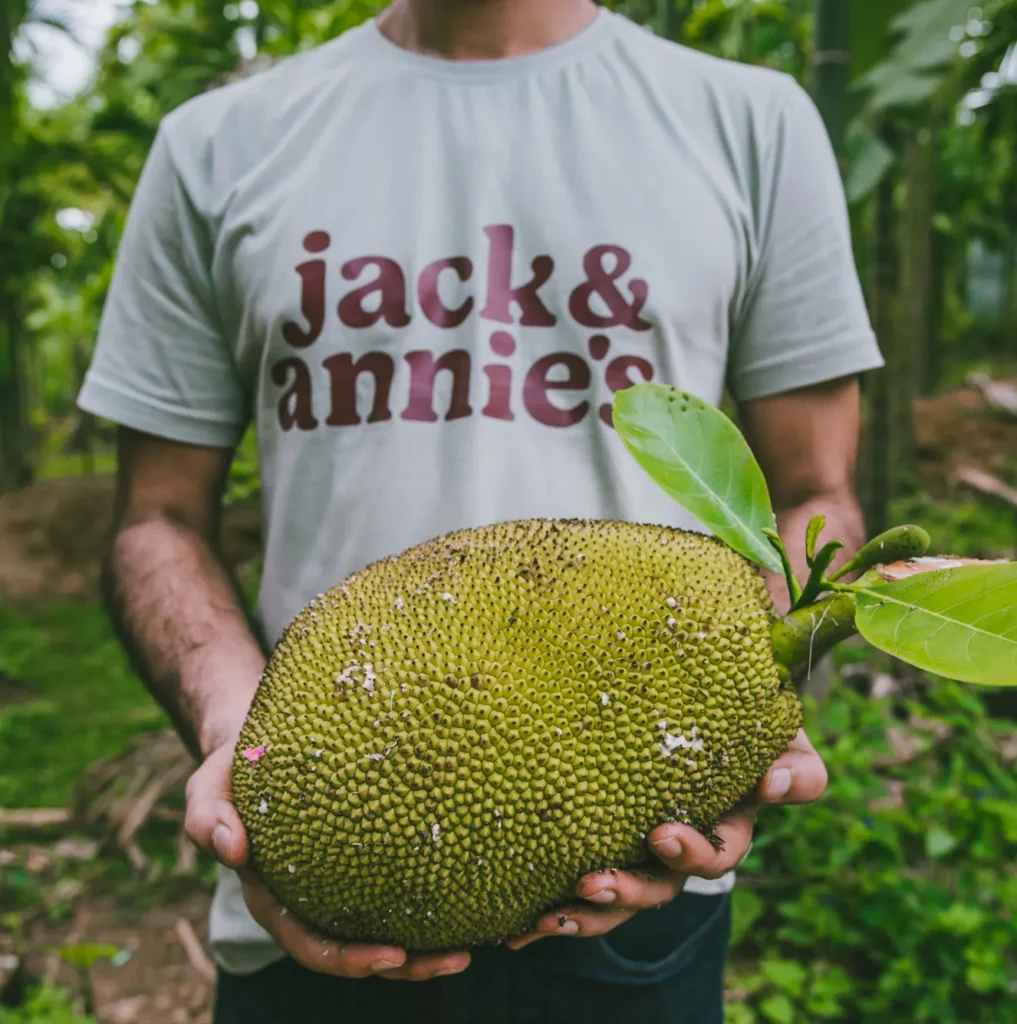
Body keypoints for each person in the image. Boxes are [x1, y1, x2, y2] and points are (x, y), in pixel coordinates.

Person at [78, 0, 883, 1020]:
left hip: (640, 898)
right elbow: (159, 519)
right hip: (314, 871)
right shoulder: (217, 143)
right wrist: (235, 726)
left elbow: (818, 495)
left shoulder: (752, 121)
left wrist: (735, 708)